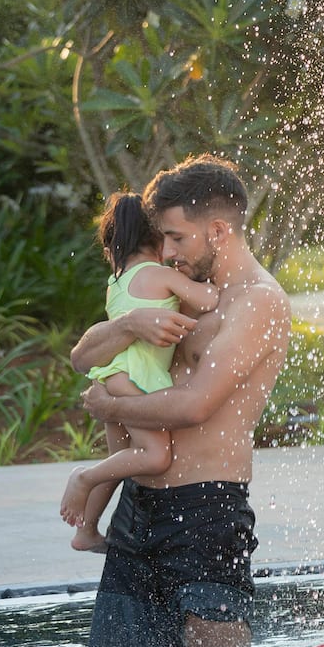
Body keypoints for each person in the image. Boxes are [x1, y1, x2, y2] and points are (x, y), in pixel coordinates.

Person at [70, 154, 291, 647]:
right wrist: (130, 325)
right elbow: (82, 356)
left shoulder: (258, 302)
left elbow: (195, 405)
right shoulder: (182, 290)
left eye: (177, 238)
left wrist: (109, 405)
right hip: (138, 509)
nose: (166, 252)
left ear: (217, 230)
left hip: (205, 513)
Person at [60, 192, 220, 552]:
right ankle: (81, 477)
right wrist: (213, 276)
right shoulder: (158, 273)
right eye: (170, 238)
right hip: (136, 377)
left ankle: (86, 531)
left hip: (114, 374)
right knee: (154, 456)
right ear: (155, 237)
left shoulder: (116, 282)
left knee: (119, 463)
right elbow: (209, 300)